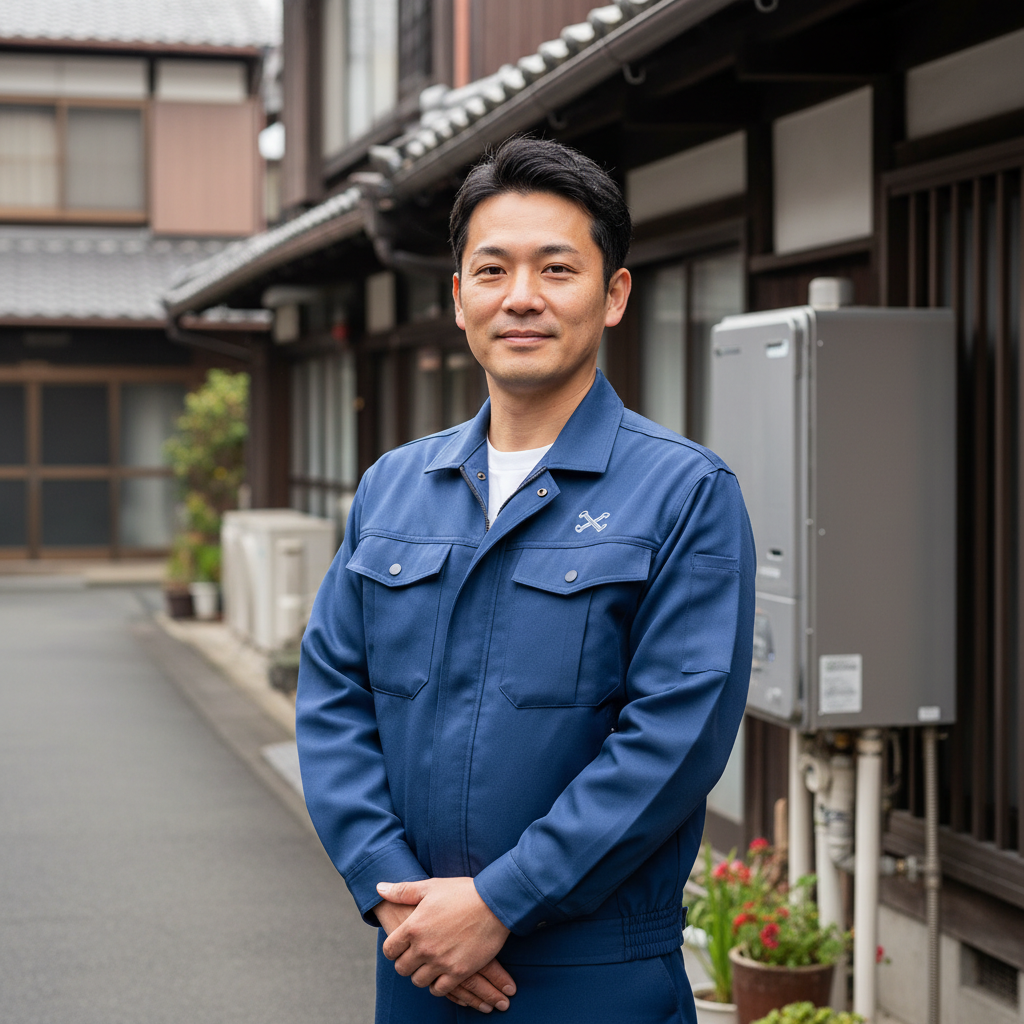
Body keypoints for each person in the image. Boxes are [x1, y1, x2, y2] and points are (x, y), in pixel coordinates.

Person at [296, 136, 755, 1023]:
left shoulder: (684, 492)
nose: (522, 298)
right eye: (493, 269)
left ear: (614, 294)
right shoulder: (394, 486)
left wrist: (503, 900)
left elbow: (674, 740)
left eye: (557, 269)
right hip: (419, 956)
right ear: (460, 294)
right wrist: (392, 895)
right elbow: (333, 699)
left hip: (595, 969)